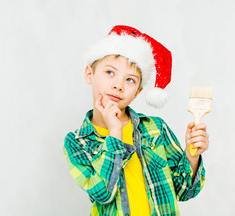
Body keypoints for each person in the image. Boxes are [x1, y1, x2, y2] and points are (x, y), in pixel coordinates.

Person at [63, 25, 209, 216]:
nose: (118, 85)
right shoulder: (77, 142)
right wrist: (115, 133)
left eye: (130, 80)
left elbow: (184, 191)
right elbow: (103, 193)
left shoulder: (156, 128)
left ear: (138, 92)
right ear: (89, 74)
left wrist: (192, 157)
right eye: (109, 73)